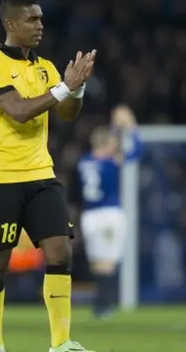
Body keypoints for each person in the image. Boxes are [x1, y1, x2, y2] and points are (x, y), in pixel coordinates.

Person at [0, 0, 96, 351]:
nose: (40, 25)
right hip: (1, 179)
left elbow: (66, 115)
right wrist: (64, 88)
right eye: (31, 20)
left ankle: (61, 342)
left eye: (41, 19)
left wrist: (78, 89)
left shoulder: (45, 67)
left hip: (41, 175)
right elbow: (19, 111)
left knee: (60, 252)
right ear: (11, 24)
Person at [72, 105, 140, 319]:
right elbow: (137, 152)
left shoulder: (84, 162)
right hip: (109, 214)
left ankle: (101, 305)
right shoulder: (111, 162)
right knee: (108, 263)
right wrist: (130, 127)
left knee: (97, 263)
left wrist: (113, 128)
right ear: (106, 145)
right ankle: (105, 306)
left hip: (90, 216)